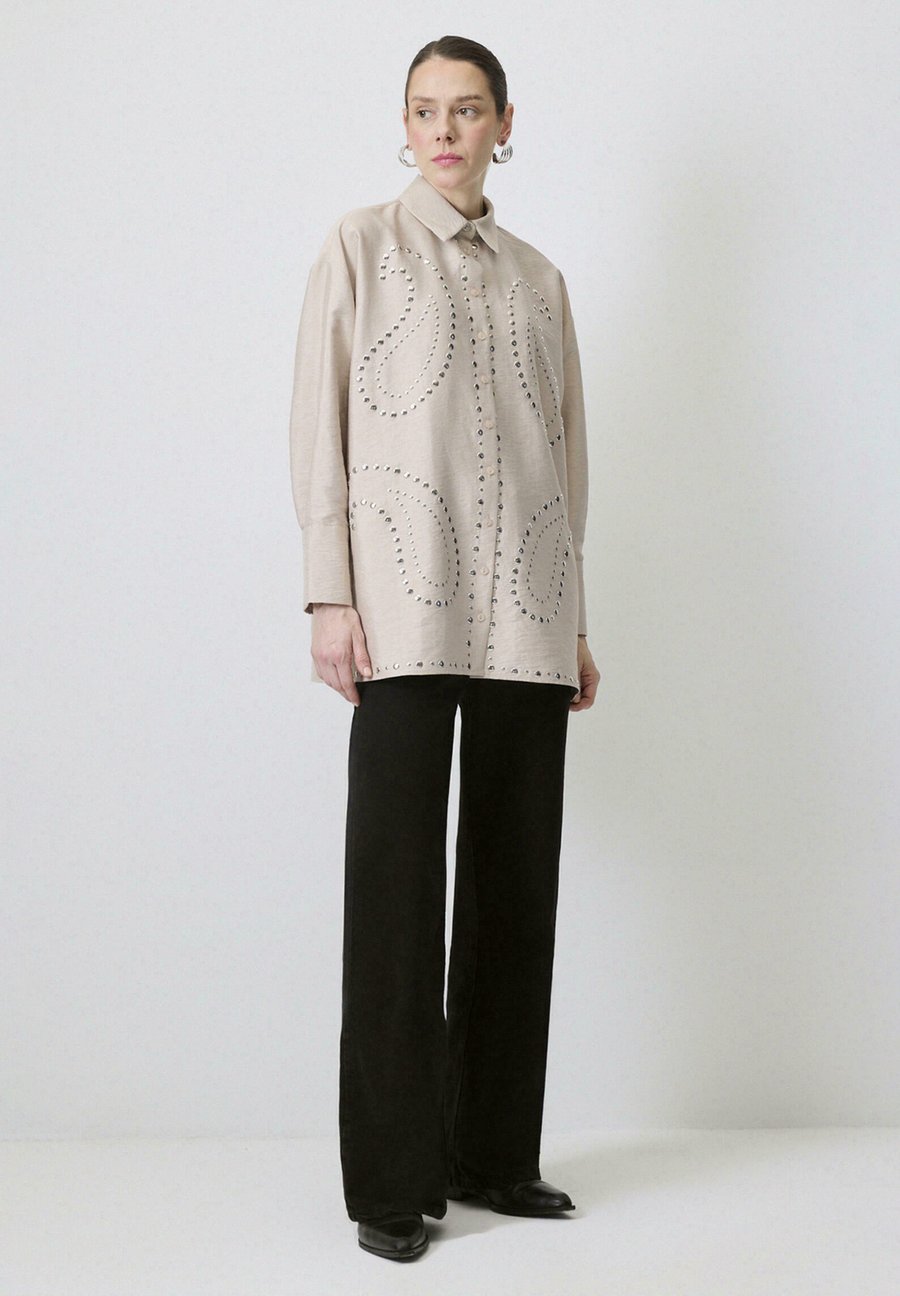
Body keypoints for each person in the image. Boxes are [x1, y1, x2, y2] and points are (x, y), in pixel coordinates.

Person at [289, 34, 600, 1262]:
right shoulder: (359, 248)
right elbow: (318, 425)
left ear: (504, 123)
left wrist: (576, 619)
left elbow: (567, 459)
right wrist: (328, 593)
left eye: (468, 111)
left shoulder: (540, 280)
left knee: (519, 886)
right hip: (400, 606)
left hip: (527, 609)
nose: (446, 132)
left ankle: (492, 1156)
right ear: (406, 123)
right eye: (426, 110)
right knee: (397, 892)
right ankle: (392, 1183)